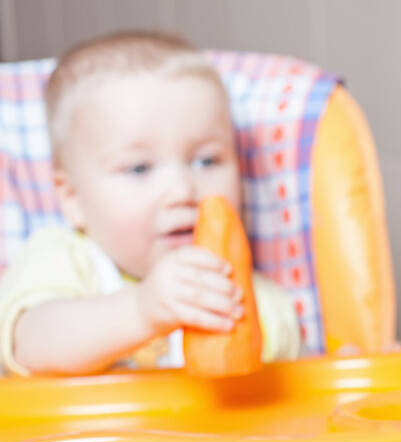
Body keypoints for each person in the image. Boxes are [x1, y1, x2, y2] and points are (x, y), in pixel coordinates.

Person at [0, 30, 301, 377]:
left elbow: (296, 400)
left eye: (206, 161)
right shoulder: (65, 259)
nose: (182, 191)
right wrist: (142, 311)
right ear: (73, 199)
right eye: (139, 168)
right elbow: (31, 346)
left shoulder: (256, 298)